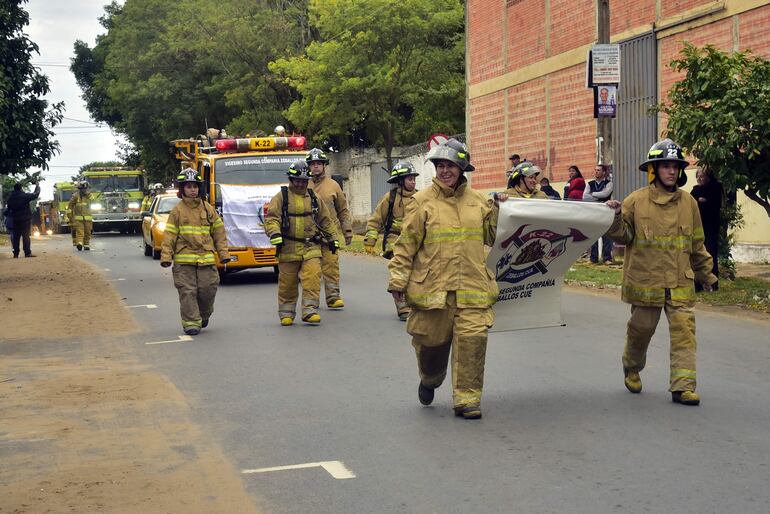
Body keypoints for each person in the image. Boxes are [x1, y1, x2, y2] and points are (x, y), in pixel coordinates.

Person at [388, 138, 505, 420]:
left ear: (462, 168)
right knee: (431, 346)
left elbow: (494, 237)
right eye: (440, 165)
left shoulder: (480, 202)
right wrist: (397, 281)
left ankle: (467, 400)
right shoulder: (421, 202)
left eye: (450, 165)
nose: (444, 171)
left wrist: (501, 209)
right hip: (433, 291)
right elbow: (406, 245)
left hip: (472, 288)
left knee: (473, 342)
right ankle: (430, 378)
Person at [605, 139, 716, 406]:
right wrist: (615, 216)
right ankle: (632, 366)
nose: (671, 171)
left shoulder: (689, 203)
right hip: (647, 282)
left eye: (675, 167)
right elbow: (623, 237)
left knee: (684, 333)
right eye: (665, 166)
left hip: (680, 282)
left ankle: (683, 387)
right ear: (653, 169)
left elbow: (697, 244)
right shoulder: (636, 201)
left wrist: (707, 275)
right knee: (641, 330)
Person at [265, 160, 338, 326]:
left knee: (312, 277)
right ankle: (286, 313)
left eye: (304, 181)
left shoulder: (314, 198)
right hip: (288, 248)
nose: (300, 184)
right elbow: (272, 219)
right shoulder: (281, 197)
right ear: (291, 180)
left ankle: (309, 311)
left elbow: (325, 221)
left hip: (311, 247)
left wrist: (333, 239)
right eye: (297, 181)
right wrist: (275, 233)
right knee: (288, 283)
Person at [160, 168, 230, 335]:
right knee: (187, 292)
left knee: (208, 290)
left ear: (200, 188)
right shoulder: (177, 211)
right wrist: (166, 256)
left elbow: (219, 233)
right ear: (182, 189)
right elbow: (169, 235)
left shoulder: (208, 209)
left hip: (206, 259)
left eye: (195, 186)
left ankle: (203, 314)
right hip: (184, 262)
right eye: (188, 186)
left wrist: (224, 254)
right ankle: (191, 322)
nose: (192, 190)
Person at [363, 162, 420, 321]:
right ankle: (403, 307)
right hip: (394, 242)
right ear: (400, 181)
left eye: (414, 179)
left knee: (416, 274)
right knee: (399, 273)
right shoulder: (390, 198)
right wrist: (370, 240)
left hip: (415, 242)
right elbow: (376, 220)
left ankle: (415, 304)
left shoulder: (420, 198)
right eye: (409, 179)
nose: (413, 182)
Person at [307, 148, 353, 309]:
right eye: (312, 164)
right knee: (311, 272)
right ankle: (311, 302)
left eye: (319, 163)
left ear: (324, 165)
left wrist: (347, 231)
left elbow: (343, 210)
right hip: (309, 236)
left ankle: (333, 297)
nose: (316, 166)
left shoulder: (334, 186)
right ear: (308, 166)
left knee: (331, 266)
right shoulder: (302, 184)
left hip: (329, 235)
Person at [690, 169, 723, 290]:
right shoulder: (695, 190)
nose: (699, 178)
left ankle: (713, 284)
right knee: (697, 255)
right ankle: (698, 284)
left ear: (708, 177)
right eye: (697, 176)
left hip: (711, 227)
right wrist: (700, 201)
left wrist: (704, 202)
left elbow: (715, 205)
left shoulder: (715, 187)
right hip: (697, 228)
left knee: (710, 254)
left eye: (702, 176)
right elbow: (691, 204)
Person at [583, 164, 614, 263]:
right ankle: (593, 258)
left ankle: (607, 258)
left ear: (604, 172)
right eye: (595, 170)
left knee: (607, 235)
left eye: (598, 170)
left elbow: (606, 194)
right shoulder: (590, 184)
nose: (596, 172)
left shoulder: (609, 183)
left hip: (605, 211)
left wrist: (592, 194)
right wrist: (600, 198)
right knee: (593, 234)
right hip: (593, 211)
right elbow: (585, 197)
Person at [4, 181, 41, 258]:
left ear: (14, 189)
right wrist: (37, 186)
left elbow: (8, 209)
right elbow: (35, 194)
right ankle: (27, 253)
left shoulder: (10, 198)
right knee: (26, 236)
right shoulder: (24, 196)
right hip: (25, 219)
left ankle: (16, 253)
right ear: (21, 188)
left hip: (15, 220)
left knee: (16, 237)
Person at [68, 181, 94, 251]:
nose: (84, 190)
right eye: (83, 189)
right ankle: (79, 243)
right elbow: (70, 206)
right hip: (78, 218)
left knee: (88, 232)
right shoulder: (75, 196)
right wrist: (70, 216)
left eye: (86, 188)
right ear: (79, 189)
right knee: (80, 231)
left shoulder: (90, 196)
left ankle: (86, 245)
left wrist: (89, 195)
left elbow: (95, 202)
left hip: (88, 218)